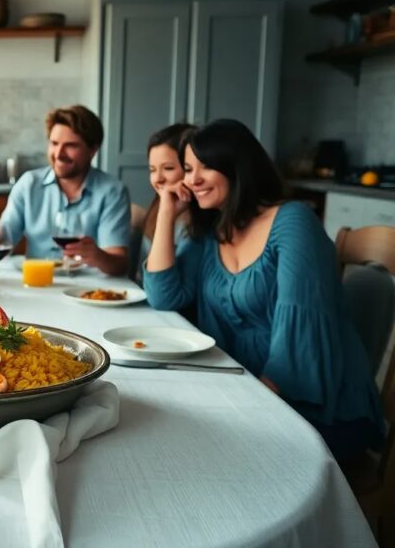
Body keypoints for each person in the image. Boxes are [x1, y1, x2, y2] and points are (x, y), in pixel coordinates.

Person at [144, 118, 384, 462]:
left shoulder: (293, 222)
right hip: (250, 391)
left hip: (316, 409)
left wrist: (240, 412)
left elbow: (296, 346)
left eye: (206, 167)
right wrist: (167, 212)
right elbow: (163, 296)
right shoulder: (214, 229)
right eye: (187, 169)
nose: (191, 180)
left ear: (237, 167)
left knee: (184, 452)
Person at [0, 105, 131, 275]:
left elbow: (119, 264)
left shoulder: (112, 191)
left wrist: (98, 256)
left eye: (71, 146)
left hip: (89, 290)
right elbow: (3, 238)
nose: (59, 153)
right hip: (38, 284)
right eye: (54, 143)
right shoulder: (29, 184)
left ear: (93, 150)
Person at [135, 123, 196, 280]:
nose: (157, 179)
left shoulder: (198, 222)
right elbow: (141, 275)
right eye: (152, 170)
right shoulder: (159, 207)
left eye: (168, 168)